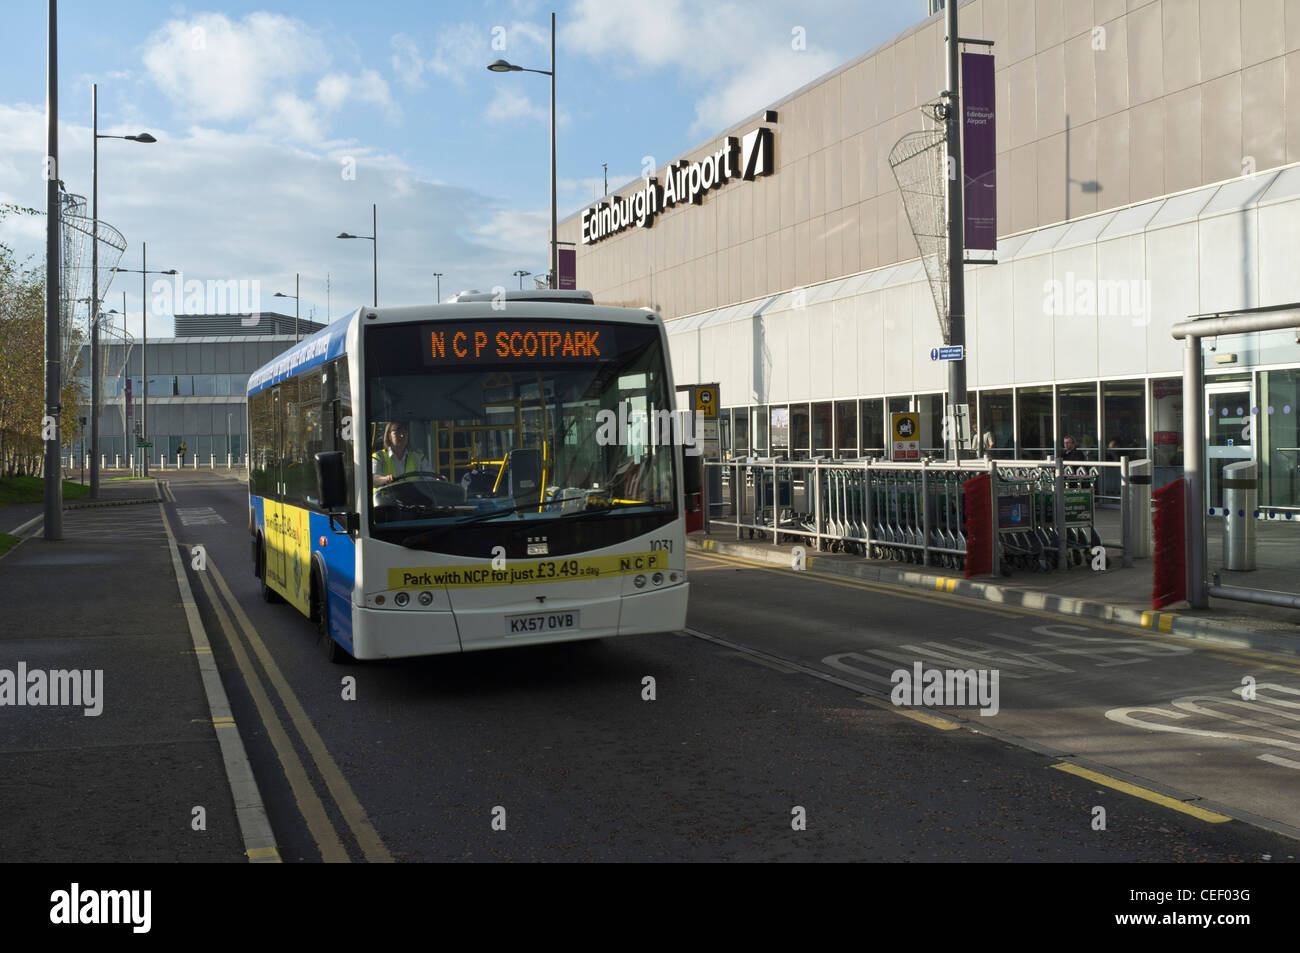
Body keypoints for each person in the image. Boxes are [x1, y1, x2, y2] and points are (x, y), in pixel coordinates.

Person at [371, 422, 430, 495]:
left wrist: (437, 480)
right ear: (389, 436)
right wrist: (385, 479)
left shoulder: (418, 457)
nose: (402, 435)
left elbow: (430, 477)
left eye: (405, 432)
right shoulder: (379, 457)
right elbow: (373, 479)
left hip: (413, 502)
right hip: (387, 503)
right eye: (397, 432)